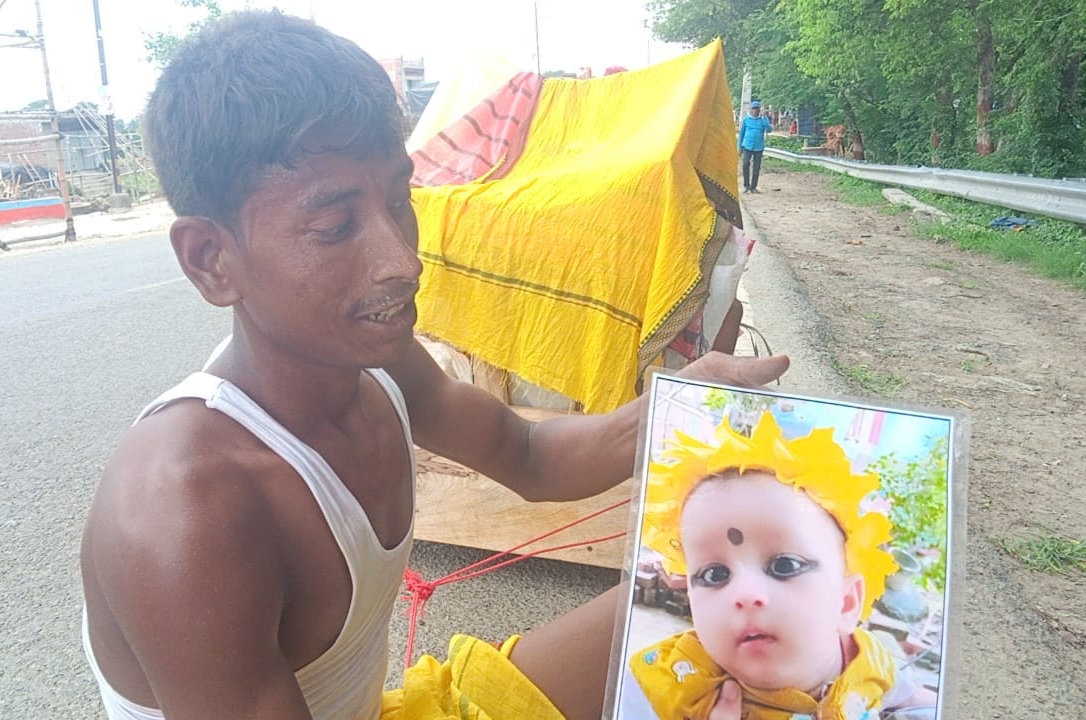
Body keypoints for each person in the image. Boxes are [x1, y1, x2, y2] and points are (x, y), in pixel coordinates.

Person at [78, 11, 789, 720]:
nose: (401, 260)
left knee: (735, 600)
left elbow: (530, 453)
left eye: (399, 202)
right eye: (334, 227)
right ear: (211, 260)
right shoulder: (184, 511)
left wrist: (683, 401)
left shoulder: (381, 370)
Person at [626, 413, 935, 720]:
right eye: (714, 574)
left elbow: (918, 700)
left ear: (846, 603)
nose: (745, 594)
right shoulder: (667, 687)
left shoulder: (867, 660)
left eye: (785, 565)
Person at [738, 100, 772, 194]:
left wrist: (765, 117)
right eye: (753, 108)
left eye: (757, 108)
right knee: (745, 164)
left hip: (758, 147)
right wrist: (740, 147)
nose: (755, 110)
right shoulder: (746, 120)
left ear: (759, 110)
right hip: (747, 145)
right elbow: (742, 134)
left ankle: (753, 187)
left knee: (756, 167)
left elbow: (769, 130)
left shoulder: (762, 120)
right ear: (750, 110)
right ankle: (746, 185)